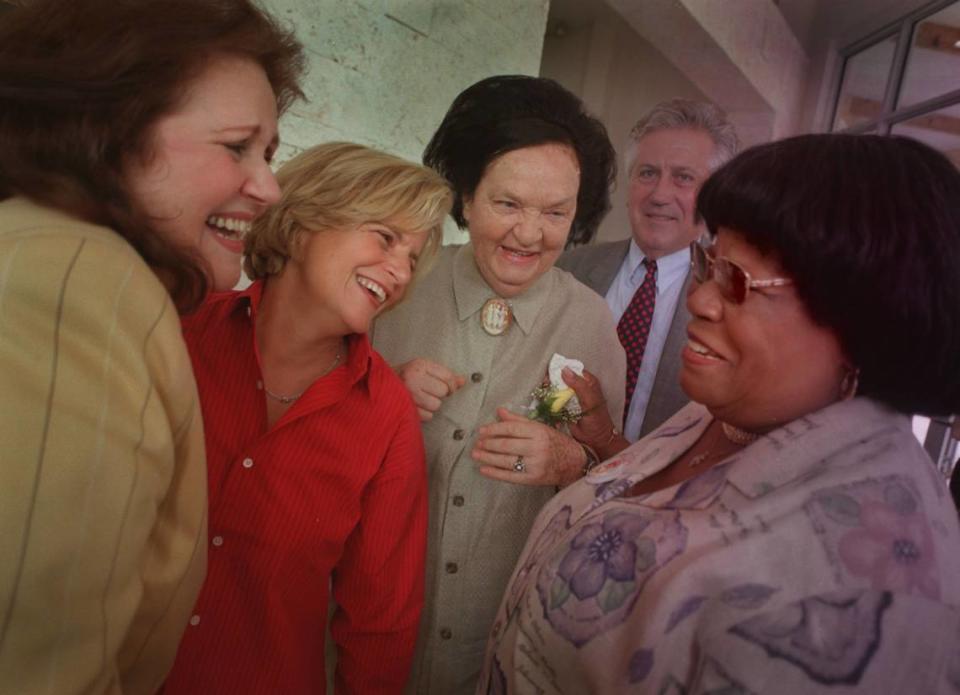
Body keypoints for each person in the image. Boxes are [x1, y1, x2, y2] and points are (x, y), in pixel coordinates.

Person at [479, 134, 960, 694]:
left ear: (865, 318)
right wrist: (603, 441)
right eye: (710, 264)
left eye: (739, 282)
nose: (700, 300)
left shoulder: (871, 590)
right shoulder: (726, 411)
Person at [0, 0, 304, 693]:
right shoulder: (81, 278)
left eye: (270, 153)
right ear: (106, 130)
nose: (269, 187)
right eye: (236, 146)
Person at [163, 142, 452, 694]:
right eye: (386, 238)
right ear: (301, 228)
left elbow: (380, 626)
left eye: (411, 260)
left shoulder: (385, 416)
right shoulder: (180, 332)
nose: (399, 272)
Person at [373, 75, 626, 694]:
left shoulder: (592, 322)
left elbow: (618, 483)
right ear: (465, 196)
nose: (529, 234)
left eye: (555, 212)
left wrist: (574, 459)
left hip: (503, 651)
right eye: (507, 204)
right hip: (372, 633)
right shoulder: (397, 287)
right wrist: (377, 396)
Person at [558, 99, 739, 456]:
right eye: (647, 173)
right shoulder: (570, 269)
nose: (660, 195)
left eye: (684, 178)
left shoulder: (732, 301)